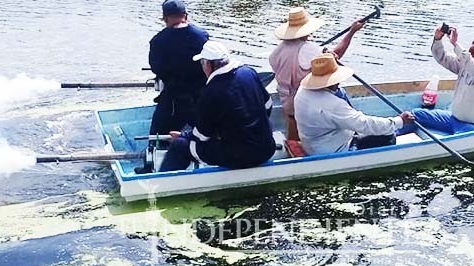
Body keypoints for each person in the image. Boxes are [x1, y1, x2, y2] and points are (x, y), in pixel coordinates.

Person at [159, 41, 276, 172]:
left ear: (208, 64)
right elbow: (268, 105)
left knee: (179, 146)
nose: (202, 67)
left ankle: (159, 185)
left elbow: (201, 136)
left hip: (242, 157)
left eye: (202, 63)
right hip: (267, 148)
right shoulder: (249, 73)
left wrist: (183, 136)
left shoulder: (211, 91)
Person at [269, 7, 364, 140]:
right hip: (307, 104)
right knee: (339, 92)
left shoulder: (275, 53)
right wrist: (351, 32)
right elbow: (335, 57)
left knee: (293, 125)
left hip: (287, 104)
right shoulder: (309, 49)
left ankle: (293, 144)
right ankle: (354, 132)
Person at [294, 53, 408, 155]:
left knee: (342, 94)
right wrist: (399, 121)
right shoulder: (333, 105)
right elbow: (364, 124)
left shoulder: (302, 91)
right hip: (334, 149)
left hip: (311, 143)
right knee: (388, 136)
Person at [397, 26, 474, 136]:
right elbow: (442, 57)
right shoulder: (466, 63)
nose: (472, 47)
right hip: (453, 119)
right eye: (473, 43)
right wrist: (438, 39)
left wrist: (455, 44)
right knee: (415, 114)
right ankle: (391, 136)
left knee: (462, 137)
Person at [147, 0, 209, 135]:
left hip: (174, 98)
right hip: (201, 96)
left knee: (156, 136)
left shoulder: (158, 40)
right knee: (207, 131)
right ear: (185, 15)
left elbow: (156, 69)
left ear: (164, 18)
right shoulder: (201, 35)